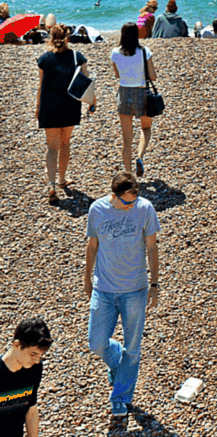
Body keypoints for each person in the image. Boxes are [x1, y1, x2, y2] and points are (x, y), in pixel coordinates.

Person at [84, 171, 160, 417]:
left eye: (133, 201)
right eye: (126, 201)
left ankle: (120, 397)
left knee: (134, 348)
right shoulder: (97, 210)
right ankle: (118, 360)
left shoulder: (145, 208)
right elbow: (92, 245)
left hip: (134, 291)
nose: (130, 206)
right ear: (114, 195)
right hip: (103, 289)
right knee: (96, 343)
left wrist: (155, 285)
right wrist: (87, 279)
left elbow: (151, 247)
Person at [36, 24, 94, 203]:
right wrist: (93, 102)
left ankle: (52, 184)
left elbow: (41, 85)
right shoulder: (77, 57)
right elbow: (87, 83)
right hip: (70, 105)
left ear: (50, 38)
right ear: (68, 38)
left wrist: (38, 106)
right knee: (65, 143)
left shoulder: (44, 59)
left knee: (52, 147)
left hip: (49, 106)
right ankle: (62, 179)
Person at [110, 23, 158, 177]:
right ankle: (140, 157)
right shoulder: (144, 51)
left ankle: (129, 175)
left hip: (124, 93)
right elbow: (153, 76)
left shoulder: (115, 53)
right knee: (145, 128)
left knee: (126, 139)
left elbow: (117, 75)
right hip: (142, 92)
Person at [0, 318, 53, 437]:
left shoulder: (34, 369)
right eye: (33, 354)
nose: (36, 360)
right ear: (17, 345)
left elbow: (31, 409)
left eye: (40, 355)